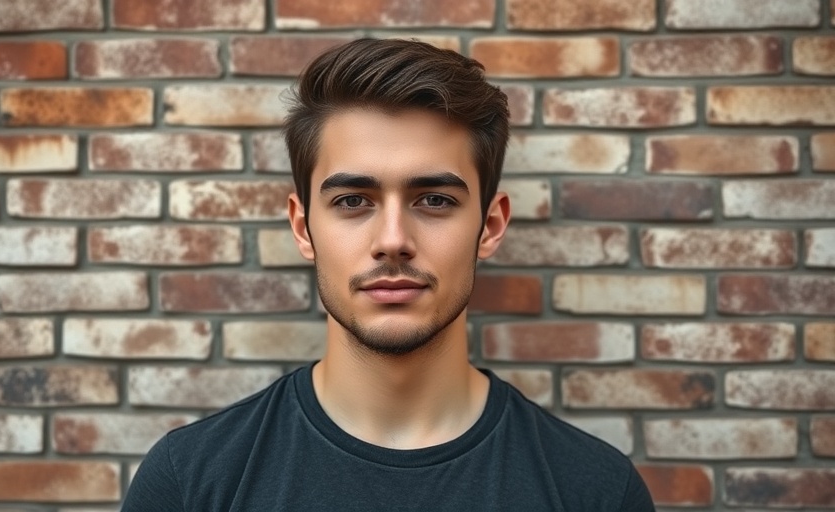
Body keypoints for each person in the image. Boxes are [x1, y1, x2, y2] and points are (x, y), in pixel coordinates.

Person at [121, 38, 656, 511]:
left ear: (489, 227)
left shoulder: (596, 491)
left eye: (435, 200)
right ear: (304, 227)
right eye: (353, 200)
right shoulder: (190, 482)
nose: (393, 239)